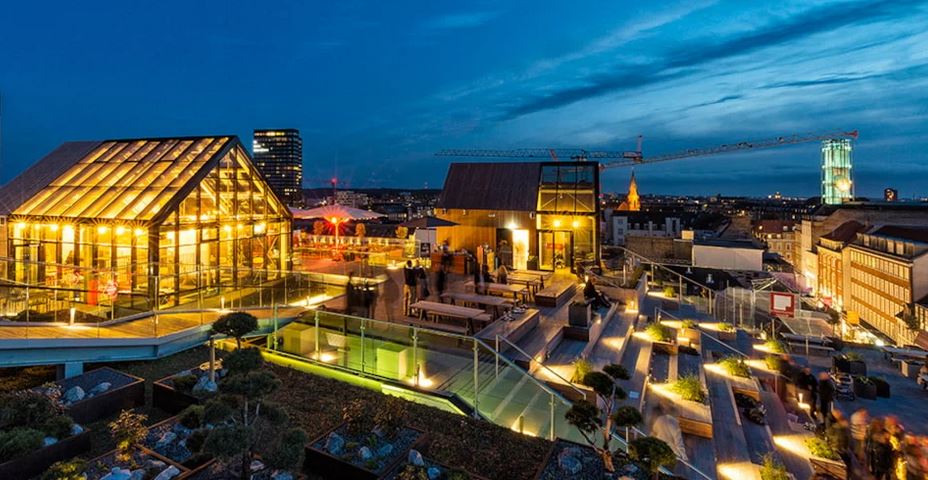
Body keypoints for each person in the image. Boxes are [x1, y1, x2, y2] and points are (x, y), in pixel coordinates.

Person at [828, 410, 851, 478]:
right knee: (845, 465)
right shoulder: (838, 428)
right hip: (838, 449)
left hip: (838, 449)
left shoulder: (840, 428)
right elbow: (839, 440)